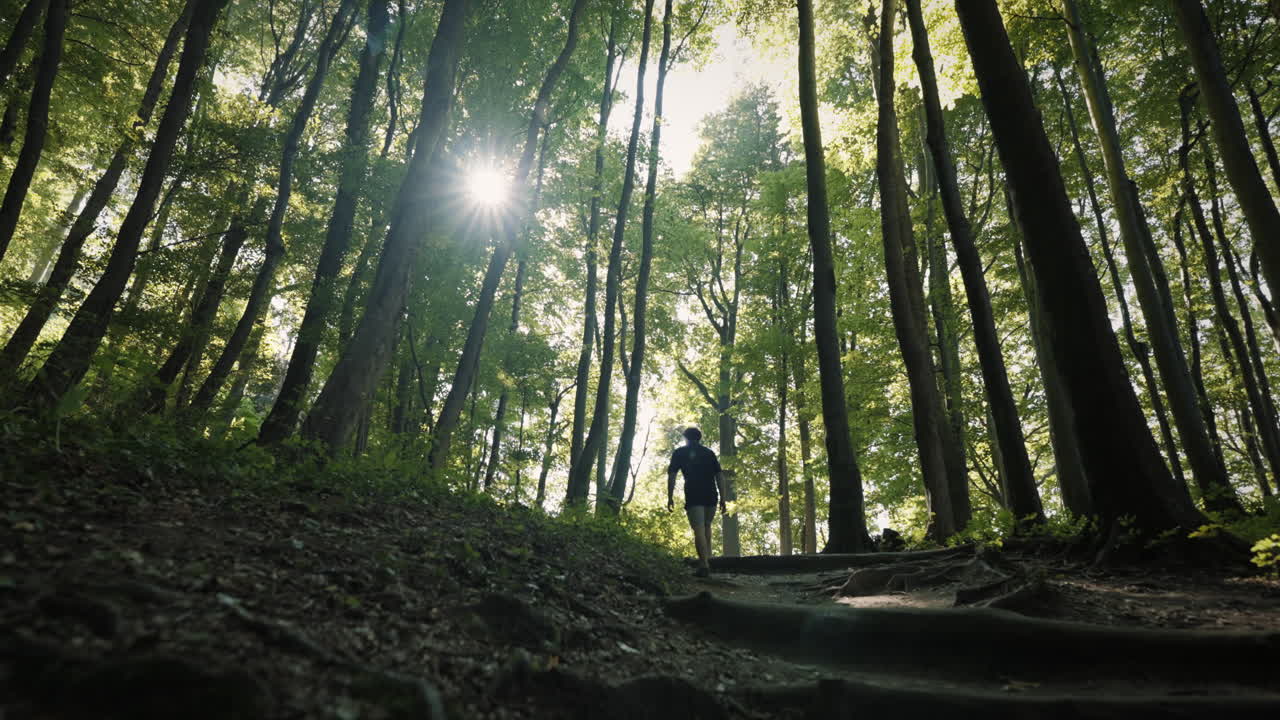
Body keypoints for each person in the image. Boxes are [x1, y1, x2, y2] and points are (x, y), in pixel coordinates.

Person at [667, 427, 727, 577]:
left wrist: (670, 496)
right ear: (699, 438)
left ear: (685, 438)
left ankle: (704, 565)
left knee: (699, 528)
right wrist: (723, 499)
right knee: (706, 526)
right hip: (711, 494)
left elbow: (672, 475)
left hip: (694, 493)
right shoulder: (709, 453)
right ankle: (708, 559)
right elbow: (720, 476)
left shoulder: (679, 453)